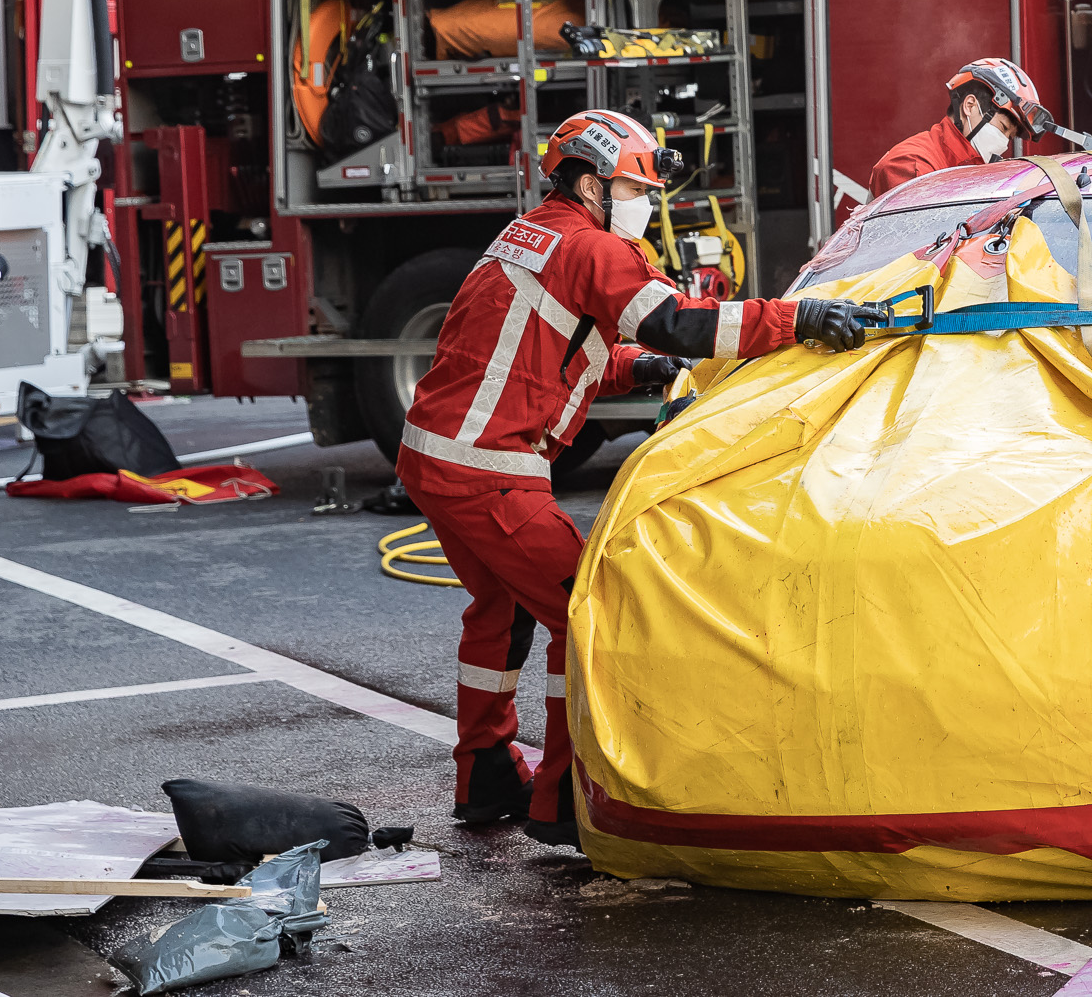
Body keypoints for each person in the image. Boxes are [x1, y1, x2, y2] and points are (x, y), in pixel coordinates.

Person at [397, 109, 887, 848]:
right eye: (633, 186)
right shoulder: (593, 247)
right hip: (488, 469)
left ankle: (487, 772)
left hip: (437, 452)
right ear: (592, 183)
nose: (645, 201)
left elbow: (550, 343)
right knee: (584, 609)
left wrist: (635, 367)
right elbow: (684, 323)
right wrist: (798, 319)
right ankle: (560, 798)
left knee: (499, 606)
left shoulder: (533, 233)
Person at [866, 59, 1053, 197]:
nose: (1004, 143)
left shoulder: (973, 169)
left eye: (1010, 137)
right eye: (1003, 128)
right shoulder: (912, 165)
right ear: (970, 106)